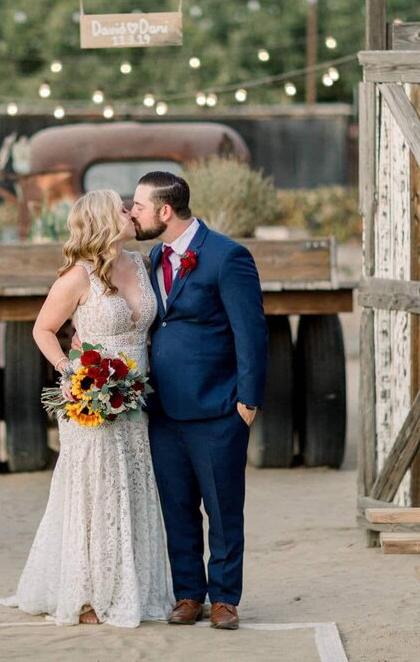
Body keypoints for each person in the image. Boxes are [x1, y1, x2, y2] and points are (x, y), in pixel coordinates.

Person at [0, 190, 174, 628]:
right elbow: (44, 328)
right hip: (90, 401)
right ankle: (89, 594)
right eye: (122, 208)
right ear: (103, 220)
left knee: (132, 488)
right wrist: (70, 372)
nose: (131, 213)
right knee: (93, 493)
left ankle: (135, 586)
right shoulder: (78, 277)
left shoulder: (142, 264)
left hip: (137, 398)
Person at [130, 170, 268, 631]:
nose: (133, 213)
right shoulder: (153, 257)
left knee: (224, 508)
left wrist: (247, 401)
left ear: (164, 211)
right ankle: (188, 593)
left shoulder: (227, 257)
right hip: (164, 409)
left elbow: (252, 334)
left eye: (139, 206)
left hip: (217, 408)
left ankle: (225, 598)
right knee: (178, 506)